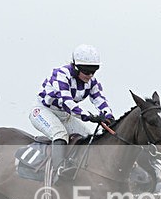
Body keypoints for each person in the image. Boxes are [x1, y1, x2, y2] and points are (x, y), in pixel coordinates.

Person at [28, 44, 115, 183]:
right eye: (87, 71)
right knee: (60, 135)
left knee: (88, 137)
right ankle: (59, 170)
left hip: (64, 115)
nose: (90, 75)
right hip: (43, 111)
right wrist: (89, 116)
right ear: (75, 67)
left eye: (94, 71)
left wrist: (109, 116)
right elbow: (67, 102)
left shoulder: (91, 82)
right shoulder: (61, 75)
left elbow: (100, 100)